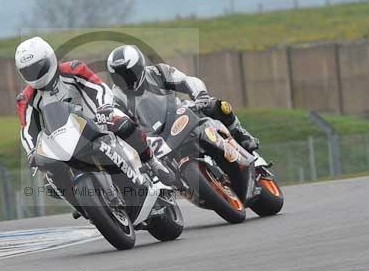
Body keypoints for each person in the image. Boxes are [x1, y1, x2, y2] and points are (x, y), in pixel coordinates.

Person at [14, 37, 176, 207]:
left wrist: (104, 107)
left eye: (38, 68)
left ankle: (152, 162)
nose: (34, 74)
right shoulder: (26, 98)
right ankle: (81, 205)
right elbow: (27, 129)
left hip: (96, 119)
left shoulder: (73, 69)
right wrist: (32, 152)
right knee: (49, 178)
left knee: (121, 123)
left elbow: (97, 87)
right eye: (28, 71)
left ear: (50, 59)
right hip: (62, 137)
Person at [106, 44, 259, 151]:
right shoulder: (116, 98)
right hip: (154, 139)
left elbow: (187, 81)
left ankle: (241, 134)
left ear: (139, 66)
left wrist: (200, 95)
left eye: (127, 73)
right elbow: (120, 122)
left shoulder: (158, 72)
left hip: (181, 114)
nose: (124, 79)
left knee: (217, 106)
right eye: (118, 76)